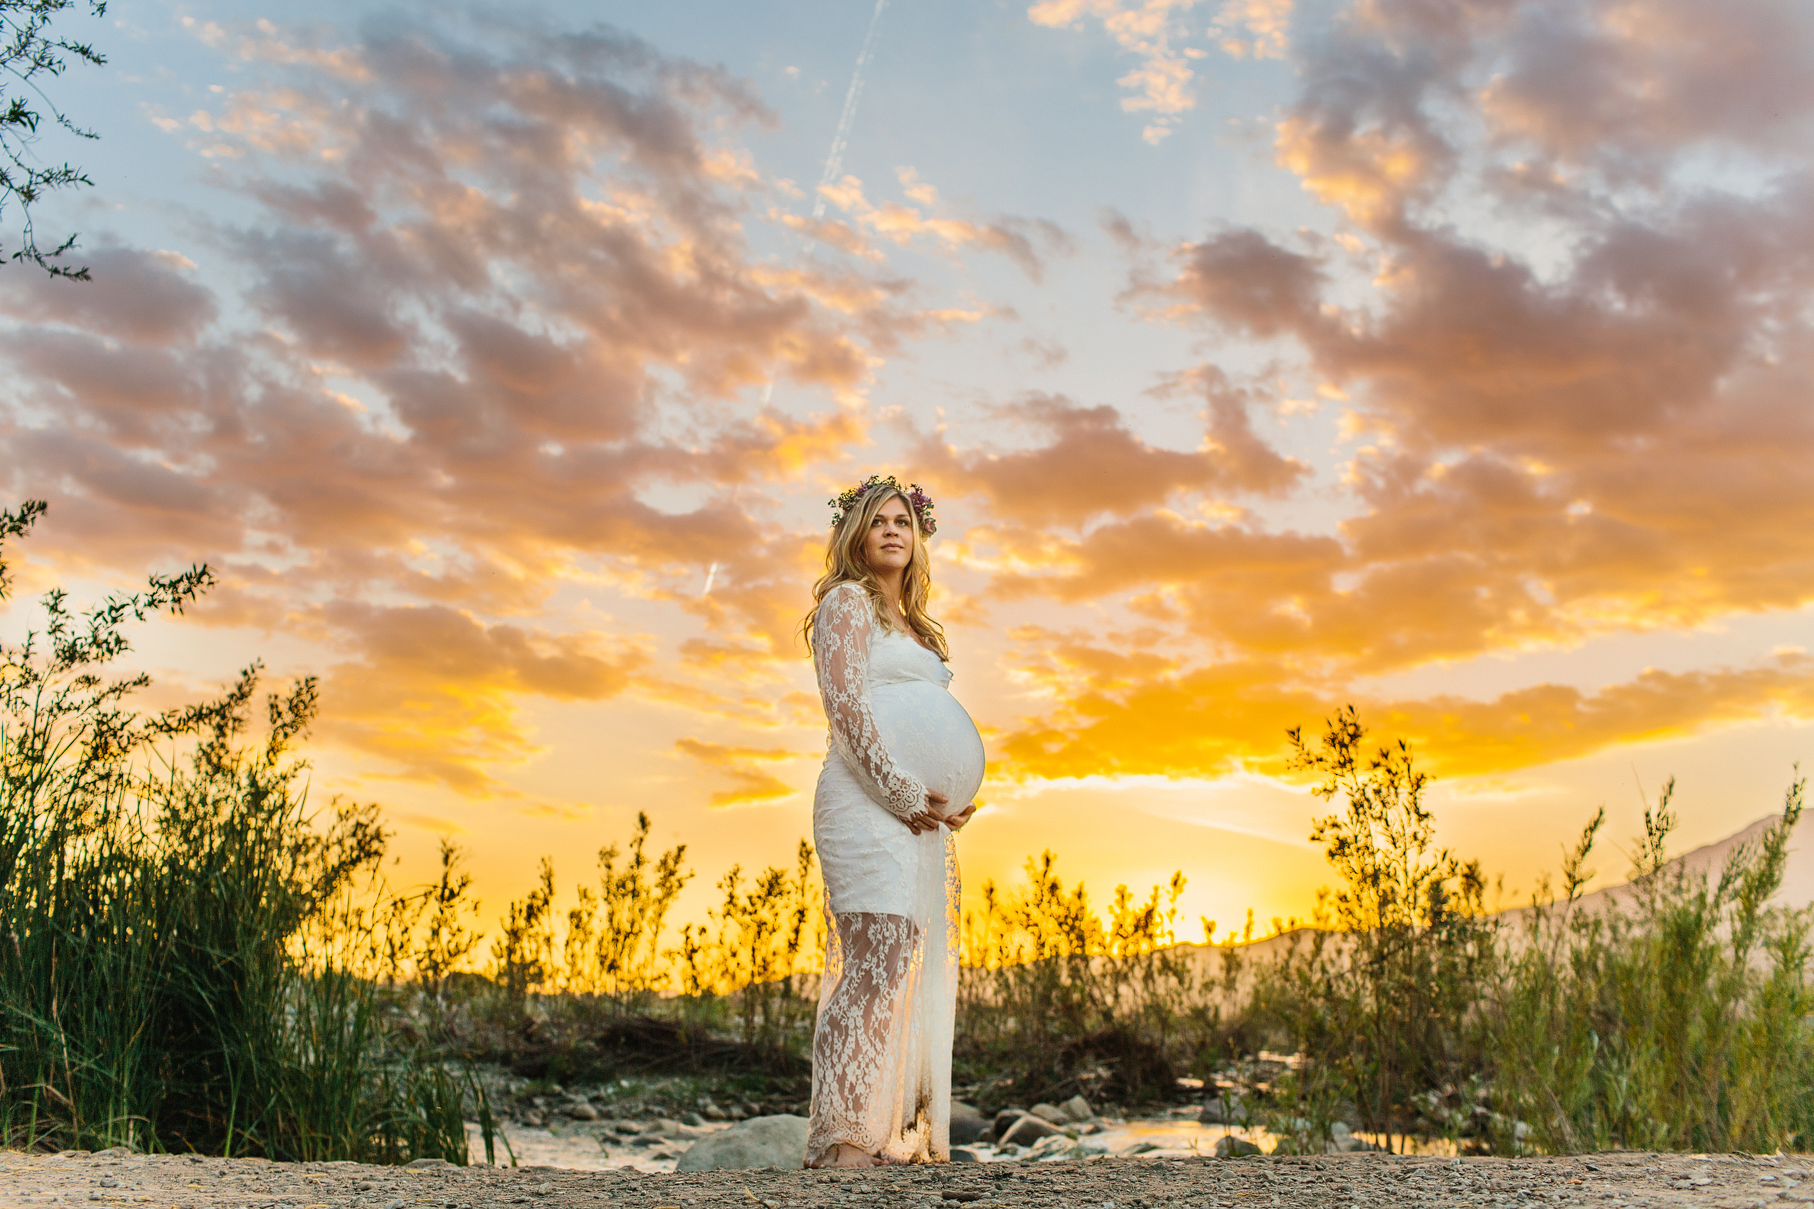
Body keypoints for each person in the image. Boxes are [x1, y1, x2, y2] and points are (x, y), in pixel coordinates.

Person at [800, 474, 984, 1168]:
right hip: (863, 802)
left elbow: (924, 725)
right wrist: (908, 792)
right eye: (877, 520)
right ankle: (841, 1138)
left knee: (896, 960)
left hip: (918, 816)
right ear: (854, 534)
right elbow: (847, 714)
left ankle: (875, 1132)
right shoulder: (846, 603)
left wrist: (950, 796)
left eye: (903, 520)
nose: (891, 530)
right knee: (870, 965)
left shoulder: (917, 625)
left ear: (917, 536)